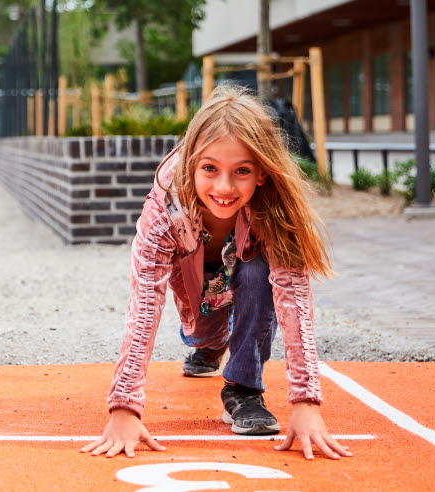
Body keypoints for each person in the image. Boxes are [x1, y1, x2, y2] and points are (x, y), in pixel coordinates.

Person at [82, 85, 352, 461]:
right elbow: (145, 304)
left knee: (258, 278)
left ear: (261, 173)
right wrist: (124, 407)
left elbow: (293, 297)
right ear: (191, 163)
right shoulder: (165, 211)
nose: (224, 187)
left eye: (241, 171)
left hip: (246, 259)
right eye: (210, 169)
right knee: (202, 331)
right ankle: (210, 345)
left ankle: (243, 389)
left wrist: (305, 402)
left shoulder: (276, 208)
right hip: (194, 268)